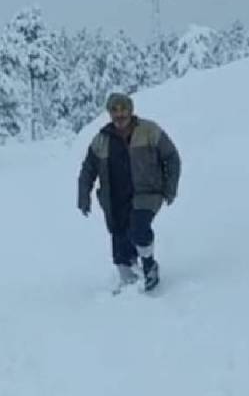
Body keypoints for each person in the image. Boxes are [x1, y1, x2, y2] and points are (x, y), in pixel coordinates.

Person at [77, 92, 181, 291]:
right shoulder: (101, 140)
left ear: (130, 110)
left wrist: (170, 188)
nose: (119, 114)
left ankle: (149, 266)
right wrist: (84, 197)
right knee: (119, 238)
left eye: (123, 109)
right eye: (114, 110)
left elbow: (172, 157)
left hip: (147, 193)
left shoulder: (149, 130)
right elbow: (88, 169)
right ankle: (128, 284)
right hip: (114, 197)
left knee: (138, 229)